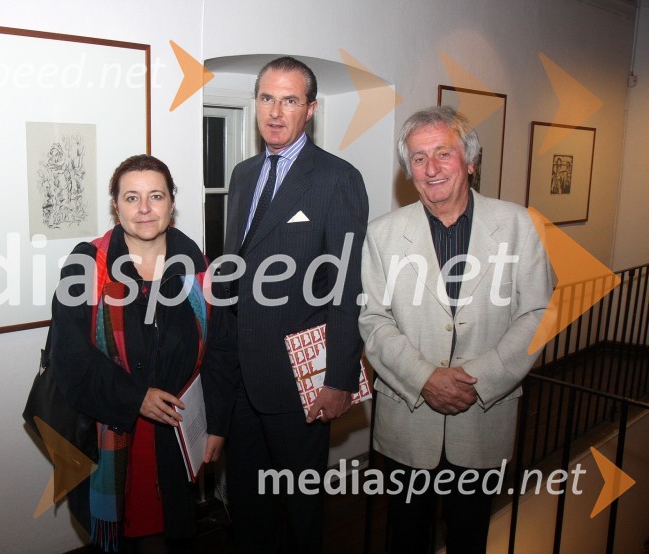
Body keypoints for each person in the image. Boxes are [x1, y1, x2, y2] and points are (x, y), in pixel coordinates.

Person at [358, 106, 553, 552]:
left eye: (443, 154)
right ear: (409, 171)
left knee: (470, 537)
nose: (431, 168)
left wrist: (474, 380)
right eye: (419, 158)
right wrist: (426, 377)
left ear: (470, 160)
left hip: (483, 414)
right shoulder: (383, 235)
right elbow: (372, 318)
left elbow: (538, 314)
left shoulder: (519, 225)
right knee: (406, 537)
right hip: (409, 419)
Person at [49, 154, 239, 552]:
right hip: (113, 431)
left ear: (172, 202)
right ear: (115, 205)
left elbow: (221, 348)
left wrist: (218, 424)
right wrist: (136, 397)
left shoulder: (198, 266)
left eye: (156, 196)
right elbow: (69, 356)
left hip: (179, 433)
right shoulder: (88, 263)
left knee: (170, 535)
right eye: (131, 198)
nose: (145, 209)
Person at [220, 56, 369, 553]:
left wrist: (340, 379)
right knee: (248, 504)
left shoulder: (336, 178)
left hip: (298, 381)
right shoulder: (242, 175)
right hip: (240, 375)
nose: (276, 112)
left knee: (299, 510)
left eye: (289, 100)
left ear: (311, 109)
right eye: (267, 98)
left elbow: (346, 286)